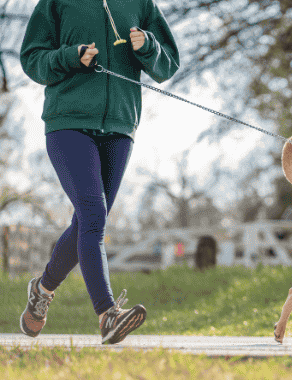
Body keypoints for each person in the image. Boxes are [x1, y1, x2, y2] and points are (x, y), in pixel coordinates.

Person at [19, 0, 179, 344]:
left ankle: (42, 290)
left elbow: (167, 65)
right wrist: (69, 57)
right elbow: (32, 60)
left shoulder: (140, 3)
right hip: (68, 124)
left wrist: (148, 46)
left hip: (120, 128)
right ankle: (108, 314)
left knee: (85, 221)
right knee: (93, 215)